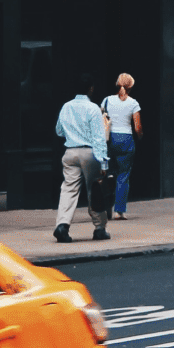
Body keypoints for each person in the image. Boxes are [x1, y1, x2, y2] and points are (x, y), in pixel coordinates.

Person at [54, 73, 110, 243]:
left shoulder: (66, 107)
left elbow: (59, 131)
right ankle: (99, 228)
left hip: (70, 152)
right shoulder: (93, 108)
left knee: (69, 189)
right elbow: (99, 137)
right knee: (95, 190)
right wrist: (104, 163)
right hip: (89, 153)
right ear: (90, 89)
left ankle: (62, 225)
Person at [100, 73, 141, 221]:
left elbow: (101, 120)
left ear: (117, 84)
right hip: (126, 139)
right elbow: (137, 127)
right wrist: (140, 136)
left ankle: (105, 206)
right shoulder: (133, 103)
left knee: (108, 173)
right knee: (123, 175)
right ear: (131, 87)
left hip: (109, 139)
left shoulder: (106, 101)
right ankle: (119, 211)